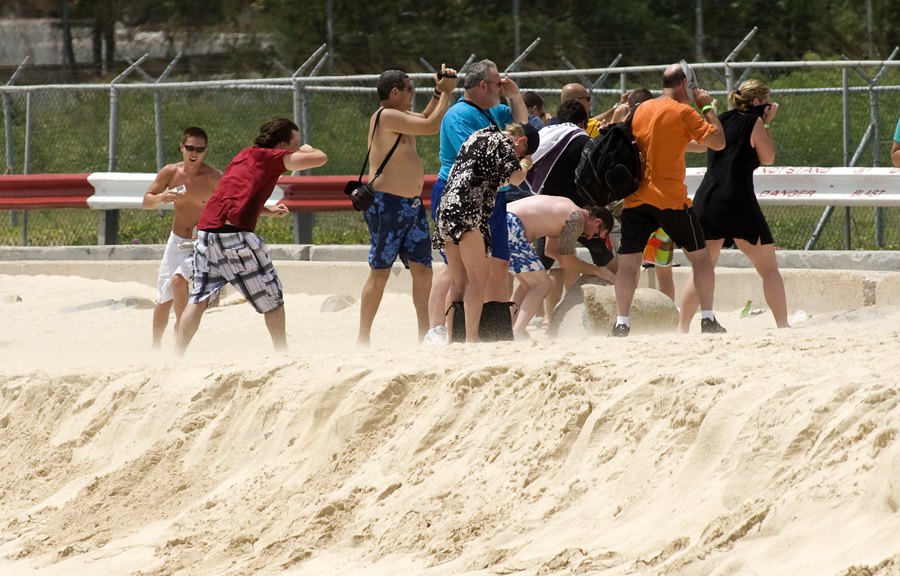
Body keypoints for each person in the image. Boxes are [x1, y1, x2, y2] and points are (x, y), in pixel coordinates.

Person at [174, 118, 327, 355]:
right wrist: (307, 149)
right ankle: (282, 352)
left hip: (206, 232)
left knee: (199, 298)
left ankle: (176, 355)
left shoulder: (245, 154)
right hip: (232, 236)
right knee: (272, 296)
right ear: (283, 144)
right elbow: (320, 158)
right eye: (294, 144)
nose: (297, 148)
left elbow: (233, 193)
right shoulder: (272, 156)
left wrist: (266, 210)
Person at [609, 62, 726, 337]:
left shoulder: (640, 109)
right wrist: (707, 108)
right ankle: (707, 319)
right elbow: (718, 142)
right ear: (686, 84)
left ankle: (622, 323)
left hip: (636, 199)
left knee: (629, 262)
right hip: (672, 200)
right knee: (700, 259)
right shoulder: (684, 112)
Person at [423, 59, 528, 345]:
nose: (501, 88)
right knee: (457, 270)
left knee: (498, 264)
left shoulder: (493, 110)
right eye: (497, 84)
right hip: (461, 195)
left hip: (490, 195)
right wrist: (518, 165)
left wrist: (515, 95)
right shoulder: (459, 116)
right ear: (482, 85)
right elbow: (473, 161)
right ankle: (439, 329)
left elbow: (521, 126)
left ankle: (490, 328)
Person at [356, 65, 458, 346]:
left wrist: (439, 91)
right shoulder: (386, 116)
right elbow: (431, 125)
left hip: (411, 206)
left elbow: (425, 115)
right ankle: (363, 338)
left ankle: (423, 333)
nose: (414, 94)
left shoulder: (400, 116)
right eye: (410, 89)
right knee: (380, 271)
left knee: (423, 269)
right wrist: (446, 95)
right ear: (395, 92)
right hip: (386, 205)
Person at [679, 79, 789, 331]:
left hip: (708, 198)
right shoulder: (755, 121)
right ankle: (782, 324)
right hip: (737, 199)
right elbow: (768, 157)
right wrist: (768, 122)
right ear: (757, 102)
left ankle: (682, 328)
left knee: (702, 267)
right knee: (769, 268)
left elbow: (698, 144)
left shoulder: (721, 119)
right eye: (768, 101)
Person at [432, 122, 537, 343]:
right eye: (520, 154)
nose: (516, 158)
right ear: (521, 142)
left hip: (446, 209)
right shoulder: (505, 144)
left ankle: (452, 339)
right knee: (478, 279)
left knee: (457, 280)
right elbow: (517, 178)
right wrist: (526, 163)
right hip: (468, 212)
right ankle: (471, 339)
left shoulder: (477, 135)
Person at [142, 127, 223, 348]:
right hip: (177, 241)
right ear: (182, 147)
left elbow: (238, 199)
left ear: (206, 150)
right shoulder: (171, 173)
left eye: (200, 149)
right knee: (163, 299)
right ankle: (156, 345)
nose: (194, 153)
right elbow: (146, 201)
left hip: (201, 244)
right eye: (190, 148)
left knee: (179, 282)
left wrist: (268, 210)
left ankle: (180, 331)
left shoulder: (214, 177)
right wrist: (161, 197)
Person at [506, 195, 614, 339]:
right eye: (596, 234)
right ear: (597, 221)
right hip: (511, 225)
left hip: (501, 220)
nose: (589, 237)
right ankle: (517, 332)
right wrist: (597, 270)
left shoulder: (566, 208)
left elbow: (550, 251)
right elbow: (566, 262)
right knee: (543, 285)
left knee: (527, 285)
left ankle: (507, 329)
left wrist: (576, 263)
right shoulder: (577, 218)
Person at [548, 83, 631, 137]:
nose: (590, 103)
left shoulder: (553, 125)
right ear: (576, 103)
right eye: (588, 99)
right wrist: (615, 117)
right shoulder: (578, 129)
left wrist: (619, 106)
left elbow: (592, 120)